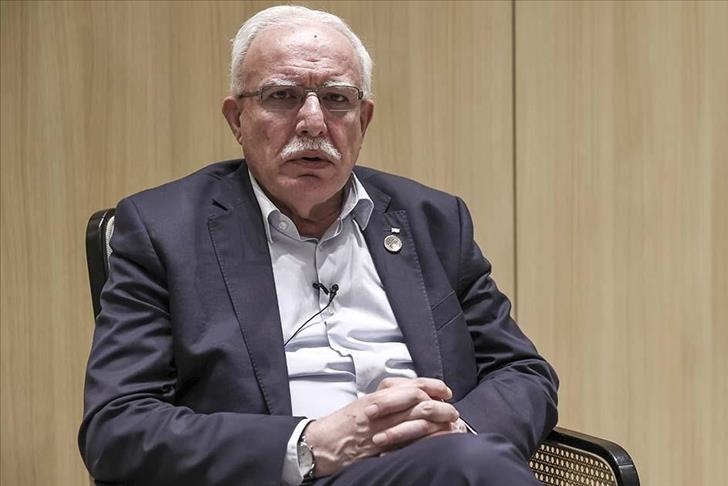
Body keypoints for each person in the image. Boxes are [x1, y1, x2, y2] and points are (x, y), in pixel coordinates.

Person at [79, 5, 558, 485]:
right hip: (284, 476)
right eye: (282, 96)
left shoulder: (432, 221)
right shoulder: (164, 230)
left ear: (363, 119)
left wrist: (459, 429)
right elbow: (117, 427)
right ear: (237, 119)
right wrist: (308, 445)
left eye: (336, 99)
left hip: (443, 466)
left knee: (466, 464)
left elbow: (522, 371)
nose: (312, 121)